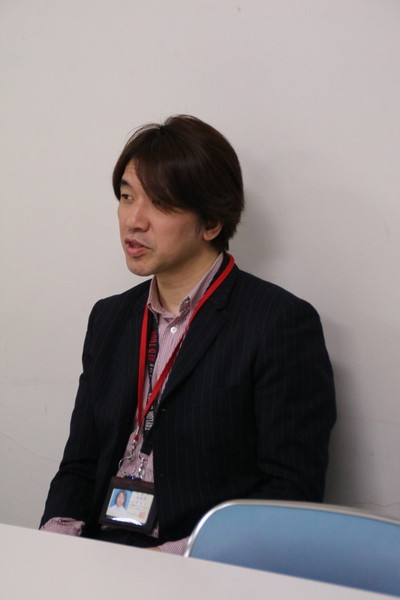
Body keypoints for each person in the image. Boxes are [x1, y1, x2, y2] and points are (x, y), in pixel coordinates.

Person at [40, 115, 336, 554]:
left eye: (159, 203)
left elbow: (291, 491)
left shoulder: (279, 323)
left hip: (202, 564)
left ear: (211, 222)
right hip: (100, 554)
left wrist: (178, 558)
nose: (133, 220)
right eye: (126, 196)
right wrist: (55, 545)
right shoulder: (110, 317)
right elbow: (80, 463)